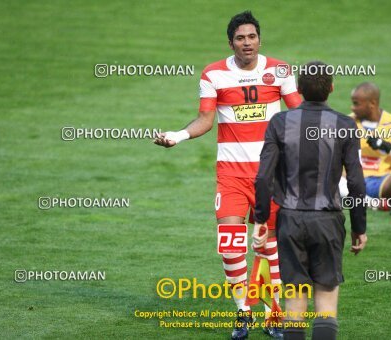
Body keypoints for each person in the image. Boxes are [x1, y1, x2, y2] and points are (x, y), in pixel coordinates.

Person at [154, 10, 302, 340]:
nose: (246, 43)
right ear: (230, 42)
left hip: (272, 175)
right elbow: (205, 119)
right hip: (231, 175)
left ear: (259, 39)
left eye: (251, 37)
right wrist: (176, 136)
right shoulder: (214, 75)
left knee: (269, 248)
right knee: (231, 245)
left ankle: (273, 314)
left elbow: (299, 111)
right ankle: (242, 312)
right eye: (240, 38)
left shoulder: (279, 70)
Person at [254, 61, 367, 340]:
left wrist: (260, 219)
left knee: (294, 299)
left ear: (300, 89)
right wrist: (359, 228)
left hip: (290, 221)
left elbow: (263, 179)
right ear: (331, 88)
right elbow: (355, 183)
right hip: (327, 222)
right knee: (326, 302)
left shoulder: (280, 123)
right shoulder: (344, 125)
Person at [338, 82, 391, 215]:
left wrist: (389, 148)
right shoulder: (346, 123)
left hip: (383, 182)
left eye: (356, 103)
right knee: (331, 177)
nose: (352, 108)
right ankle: (373, 204)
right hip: (354, 183)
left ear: (372, 104)